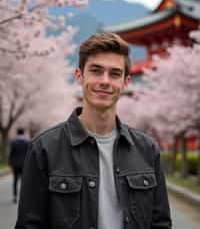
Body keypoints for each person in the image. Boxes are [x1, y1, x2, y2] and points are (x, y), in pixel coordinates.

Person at [15, 33, 172, 229]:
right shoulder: (44, 148)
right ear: (79, 76)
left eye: (115, 74)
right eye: (96, 71)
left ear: (126, 82)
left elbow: (161, 224)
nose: (105, 81)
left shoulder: (147, 149)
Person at [8, 128, 29, 203]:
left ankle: (15, 196)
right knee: (24, 181)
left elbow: (11, 153)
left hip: (15, 164)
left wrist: (10, 163)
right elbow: (28, 155)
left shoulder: (14, 142)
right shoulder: (27, 143)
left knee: (15, 180)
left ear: (17, 133)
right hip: (24, 164)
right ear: (23, 133)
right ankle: (24, 197)